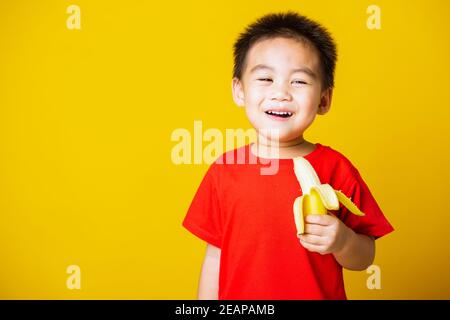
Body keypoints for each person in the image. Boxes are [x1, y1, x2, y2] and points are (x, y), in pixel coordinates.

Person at [182, 11, 394, 300]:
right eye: (266, 78)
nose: (281, 93)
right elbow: (215, 258)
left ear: (324, 99)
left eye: (299, 82)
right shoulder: (224, 170)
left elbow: (364, 257)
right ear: (239, 90)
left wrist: (342, 241)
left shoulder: (336, 168)